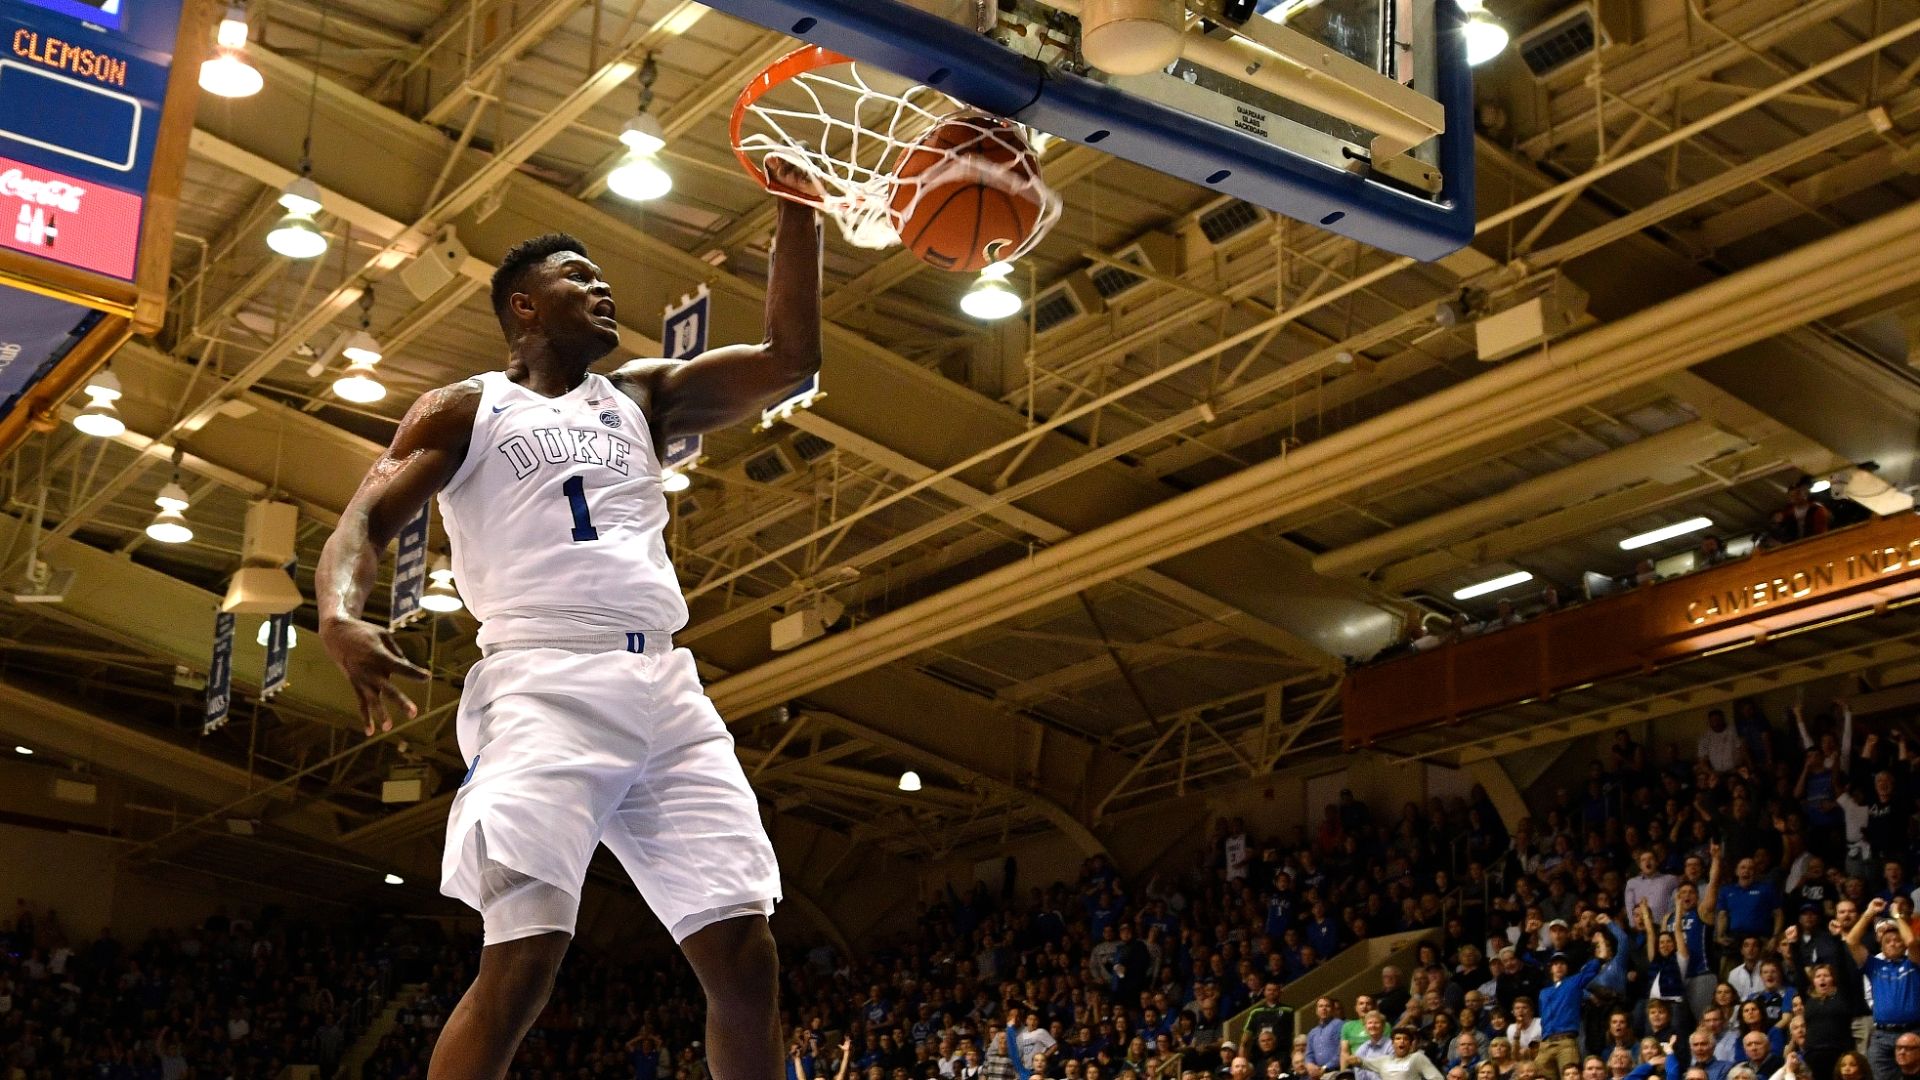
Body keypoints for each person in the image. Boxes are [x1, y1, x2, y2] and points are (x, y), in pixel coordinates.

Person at [315, 161, 825, 1080]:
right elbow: (365, 519)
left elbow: (791, 361)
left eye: (601, 277)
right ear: (523, 308)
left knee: (747, 961)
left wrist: (798, 214)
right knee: (524, 959)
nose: (601, 289)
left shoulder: (641, 399)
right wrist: (336, 614)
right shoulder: (467, 409)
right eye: (576, 280)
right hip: (543, 683)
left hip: (666, 687)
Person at [1845, 898, 1920, 1080]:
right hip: (1882, 1035)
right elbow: (1852, 941)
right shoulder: (1874, 965)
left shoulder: (1914, 963)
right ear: (1882, 946)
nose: (1894, 943)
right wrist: (1869, 913)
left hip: (1913, 1033)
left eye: (1897, 940)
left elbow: (1912, 942)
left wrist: (1896, 916)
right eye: (1888, 941)